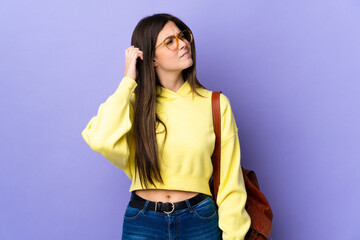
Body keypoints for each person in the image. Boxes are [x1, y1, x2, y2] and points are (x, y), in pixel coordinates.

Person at [81, 13, 251, 240]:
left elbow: (231, 182)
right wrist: (127, 81)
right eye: (170, 41)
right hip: (143, 221)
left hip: (199, 220)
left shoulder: (216, 104)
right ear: (152, 59)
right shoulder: (132, 103)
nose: (183, 44)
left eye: (183, 36)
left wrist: (234, 237)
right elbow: (101, 139)